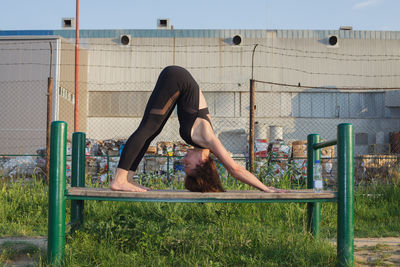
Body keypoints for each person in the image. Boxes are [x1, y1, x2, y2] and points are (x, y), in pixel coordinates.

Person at [110, 66, 286, 193]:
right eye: (188, 163)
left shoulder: (201, 143)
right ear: (202, 164)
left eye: (184, 164)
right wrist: (265, 188)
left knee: (151, 131)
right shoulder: (207, 138)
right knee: (148, 129)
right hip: (177, 78)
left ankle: (128, 178)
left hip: (177, 82)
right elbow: (235, 169)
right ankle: (119, 179)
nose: (184, 159)